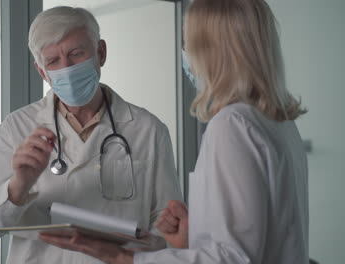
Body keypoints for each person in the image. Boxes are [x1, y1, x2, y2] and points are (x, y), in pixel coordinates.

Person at [40, 0, 309, 263]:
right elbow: (258, 238)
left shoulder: (233, 124)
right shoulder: (278, 122)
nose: (184, 53)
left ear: (211, 50)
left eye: (187, 42)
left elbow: (231, 258)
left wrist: (122, 257)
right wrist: (193, 239)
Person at [0, 6, 183, 264]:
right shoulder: (17, 127)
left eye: (76, 54)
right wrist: (19, 184)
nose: (67, 68)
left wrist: (138, 245)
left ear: (100, 53)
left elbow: (169, 224)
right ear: (42, 72)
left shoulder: (148, 130)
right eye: (53, 61)